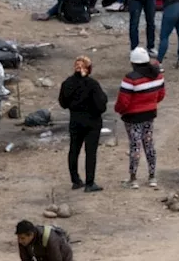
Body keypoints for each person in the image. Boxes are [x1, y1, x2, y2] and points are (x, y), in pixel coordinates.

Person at [114, 46, 164, 189]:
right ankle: (152, 177)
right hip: (149, 114)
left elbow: (123, 102)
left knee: (135, 146)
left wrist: (119, 110)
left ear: (133, 63)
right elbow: (160, 95)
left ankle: (133, 178)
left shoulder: (130, 79)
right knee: (149, 144)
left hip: (132, 117)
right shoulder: (158, 75)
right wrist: (150, 103)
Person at [58, 55, 107, 193]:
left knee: (74, 150)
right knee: (90, 152)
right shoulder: (92, 84)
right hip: (92, 122)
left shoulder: (67, 83)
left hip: (75, 121)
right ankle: (90, 183)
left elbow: (63, 103)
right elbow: (101, 106)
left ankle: (75, 180)